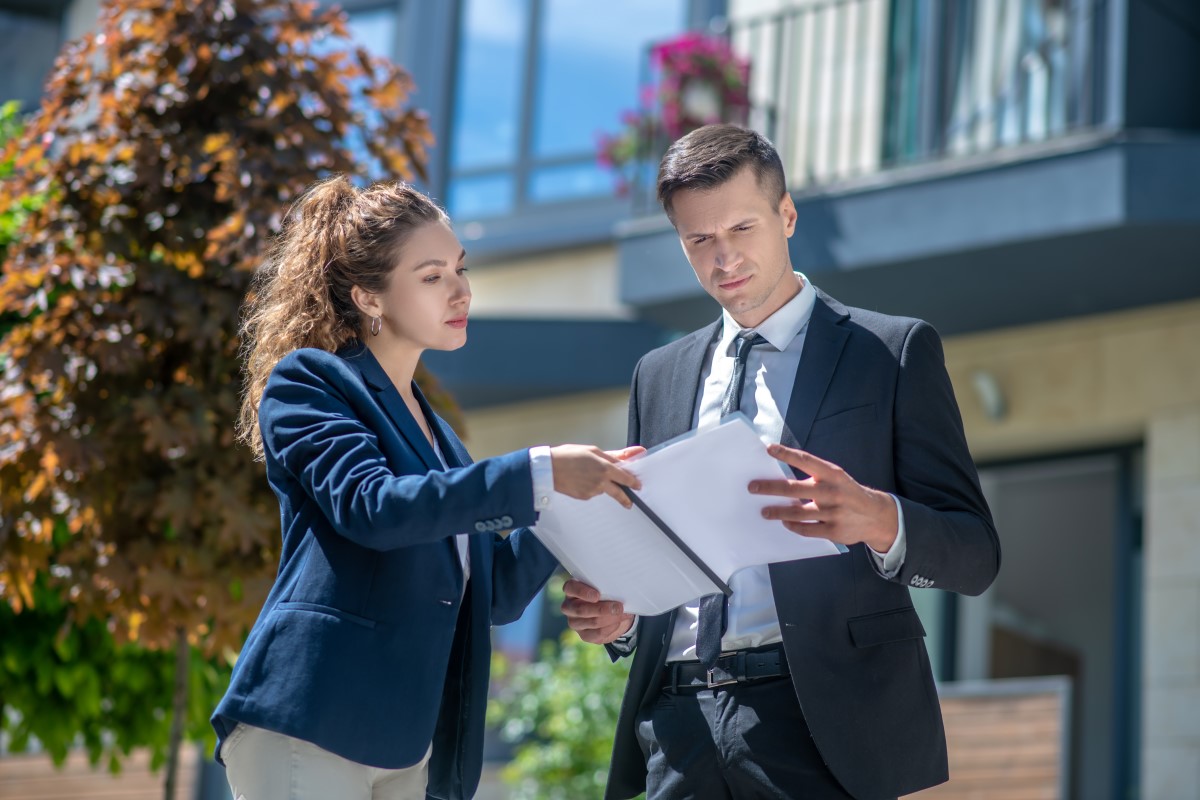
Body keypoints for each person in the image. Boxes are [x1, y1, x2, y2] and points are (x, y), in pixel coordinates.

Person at [561, 124, 1001, 800]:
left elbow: (975, 553)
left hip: (820, 721)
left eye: (742, 228)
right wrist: (622, 617)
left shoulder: (891, 352)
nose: (724, 257)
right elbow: (662, 548)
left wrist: (878, 519)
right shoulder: (659, 373)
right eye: (698, 240)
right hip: (674, 726)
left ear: (787, 215)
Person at [211, 175, 642, 800]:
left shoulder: (441, 437)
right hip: (314, 718)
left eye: (460, 269)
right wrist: (539, 470)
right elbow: (374, 509)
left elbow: (494, 594)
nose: (461, 290)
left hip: (410, 746)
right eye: (432, 274)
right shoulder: (309, 382)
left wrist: (574, 502)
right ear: (369, 297)